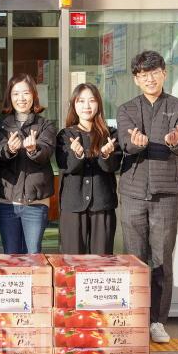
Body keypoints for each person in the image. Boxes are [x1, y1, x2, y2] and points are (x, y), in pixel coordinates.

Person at [117, 50, 178, 344]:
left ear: (164, 73)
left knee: (162, 260)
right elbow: (125, 141)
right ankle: (135, 317)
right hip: (133, 193)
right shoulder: (126, 109)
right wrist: (135, 145)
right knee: (135, 259)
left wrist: (175, 143)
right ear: (136, 79)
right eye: (143, 74)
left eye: (154, 72)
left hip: (165, 195)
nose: (149, 78)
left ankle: (158, 321)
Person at [0, 74, 56, 254]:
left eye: (26, 93)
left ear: (34, 96)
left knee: (33, 255)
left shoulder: (45, 125)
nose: (21, 99)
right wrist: (9, 150)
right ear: (9, 97)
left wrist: (33, 149)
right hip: (6, 202)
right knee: (11, 255)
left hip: (36, 202)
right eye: (16, 94)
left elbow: (47, 152)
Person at [56, 83, 121, 254]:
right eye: (81, 101)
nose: (86, 106)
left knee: (101, 262)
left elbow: (113, 166)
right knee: (72, 262)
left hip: (102, 205)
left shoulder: (111, 135)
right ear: (74, 105)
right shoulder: (65, 135)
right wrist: (76, 155)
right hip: (73, 206)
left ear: (98, 104)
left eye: (91, 101)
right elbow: (66, 166)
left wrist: (106, 155)